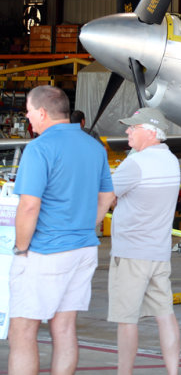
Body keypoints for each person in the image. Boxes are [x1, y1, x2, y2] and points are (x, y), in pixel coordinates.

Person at [8, 85, 114, 375]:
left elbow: (29, 206)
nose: (28, 118)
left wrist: (20, 248)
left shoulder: (39, 148)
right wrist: (79, 225)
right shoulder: (94, 146)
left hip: (46, 251)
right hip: (83, 249)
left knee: (22, 331)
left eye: (28, 112)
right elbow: (107, 197)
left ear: (42, 112)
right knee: (65, 328)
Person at [99, 107, 181, 375]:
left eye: (133, 127)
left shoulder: (136, 163)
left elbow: (106, 196)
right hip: (158, 253)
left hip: (132, 253)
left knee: (126, 320)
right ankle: (173, 372)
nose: (127, 131)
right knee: (165, 315)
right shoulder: (171, 161)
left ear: (149, 131)